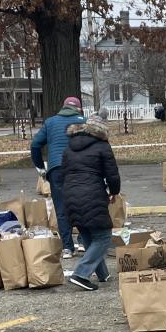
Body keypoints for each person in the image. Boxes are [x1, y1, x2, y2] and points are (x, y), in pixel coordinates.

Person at [61, 117, 121, 291]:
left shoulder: (70, 146)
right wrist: (114, 191)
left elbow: (64, 172)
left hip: (70, 194)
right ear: (102, 131)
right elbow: (112, 174)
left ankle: (102, 274)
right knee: (103, 236)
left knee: (88, 235)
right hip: (92, 193)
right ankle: (81, 274)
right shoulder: (102, 145)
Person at [31, 96, 84, 257]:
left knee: (61, 208)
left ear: (63, 107)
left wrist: (41, 168)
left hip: (56, 169)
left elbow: (35, 145)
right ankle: (83, 241)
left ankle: (67, 248)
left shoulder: (50, 122)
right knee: (82, 204)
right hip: (79, 168)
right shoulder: (84, 122)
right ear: (78, 109)